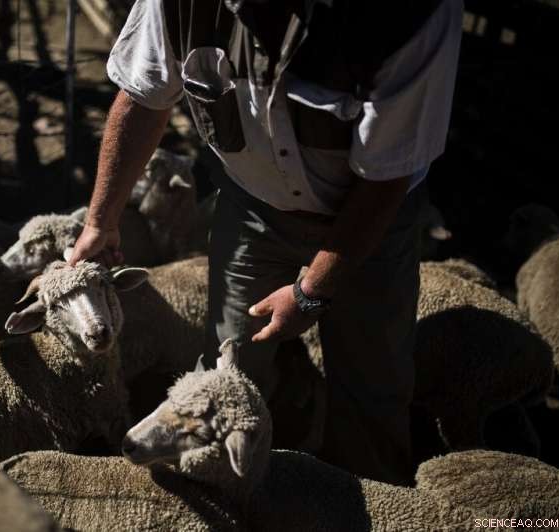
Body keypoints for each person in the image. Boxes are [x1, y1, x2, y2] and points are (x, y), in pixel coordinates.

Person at [67, 0, 462, 485]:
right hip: (253, 207)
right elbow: (143, 96)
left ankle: (367, 499)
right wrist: (100, 221)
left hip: (368, 221)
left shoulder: (407, 16)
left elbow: (385, 180)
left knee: (371, 386)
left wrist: (310, 292)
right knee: (225, 372)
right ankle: (235, 494)